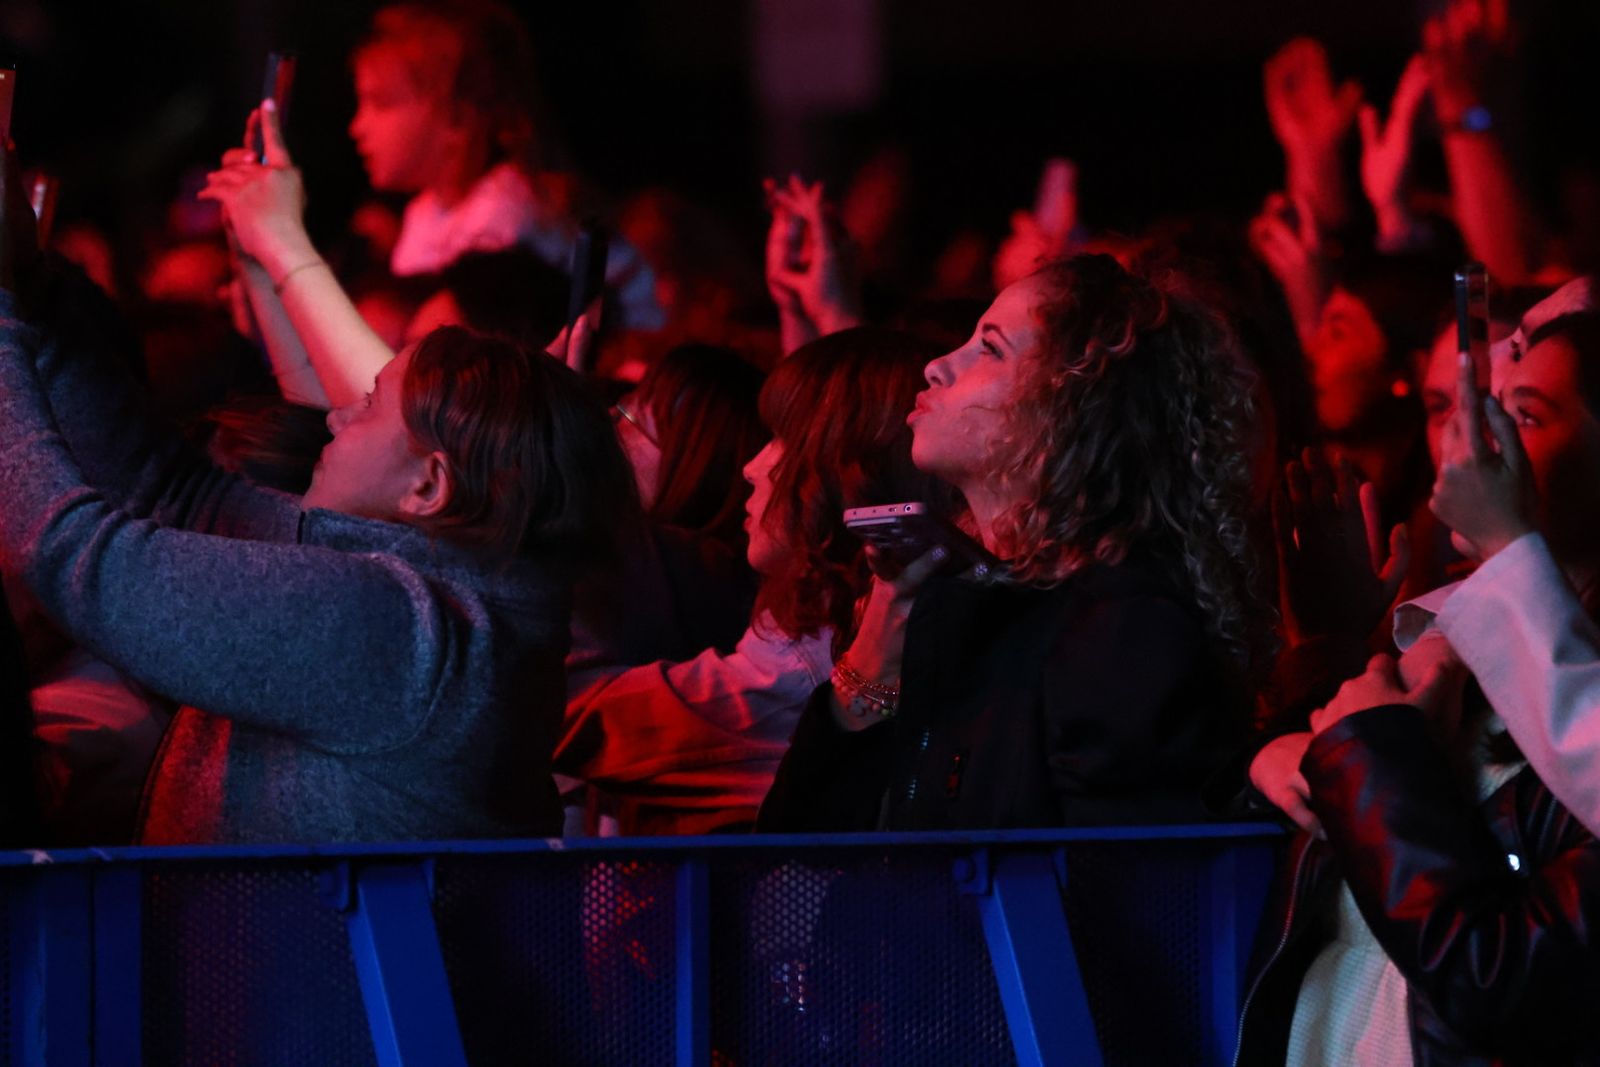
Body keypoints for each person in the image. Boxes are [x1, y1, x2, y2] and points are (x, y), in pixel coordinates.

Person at [0, 147, 634, 843]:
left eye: (368, 408)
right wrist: (30, 279)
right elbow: (169, 492)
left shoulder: (401, 632)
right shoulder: (435, 586)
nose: (334, 417)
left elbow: (78, 559)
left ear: (429, 485)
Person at [759, 254, 1265, 832]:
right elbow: (795, 853)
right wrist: (881, 636)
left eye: (991, 349)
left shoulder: (1123, 627)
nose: (937, 366)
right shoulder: (958, 596)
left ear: (1071, 408)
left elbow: (1133, 893)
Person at [1236, 280, 1600, 1064]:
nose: (1471, 444)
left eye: (1523, 414)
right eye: (1467, 409)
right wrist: (1290, 729)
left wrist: (1371, 750)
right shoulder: (1438, 651)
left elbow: (1505, 977)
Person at [558, 327, 947, 834]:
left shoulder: (807, 663)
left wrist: (527, 467)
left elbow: (560, 716)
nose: (751, 466)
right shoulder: (828, 633)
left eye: (782, 438)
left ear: (845, 469)